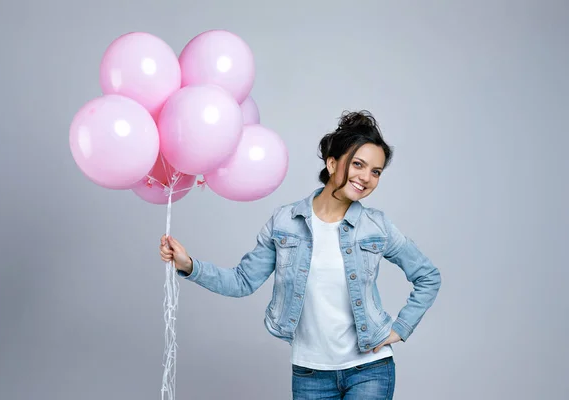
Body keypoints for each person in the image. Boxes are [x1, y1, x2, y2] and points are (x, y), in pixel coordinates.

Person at [159, 110, 441, 400]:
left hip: (369, 369)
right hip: (310, 374)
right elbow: (242, 281)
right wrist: (190, 266)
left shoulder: (376, 226)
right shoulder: (285, 222)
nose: (366, 178)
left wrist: (399, 329)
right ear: (333, 163)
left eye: (376, 172)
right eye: (358, 164)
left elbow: (428, 276)